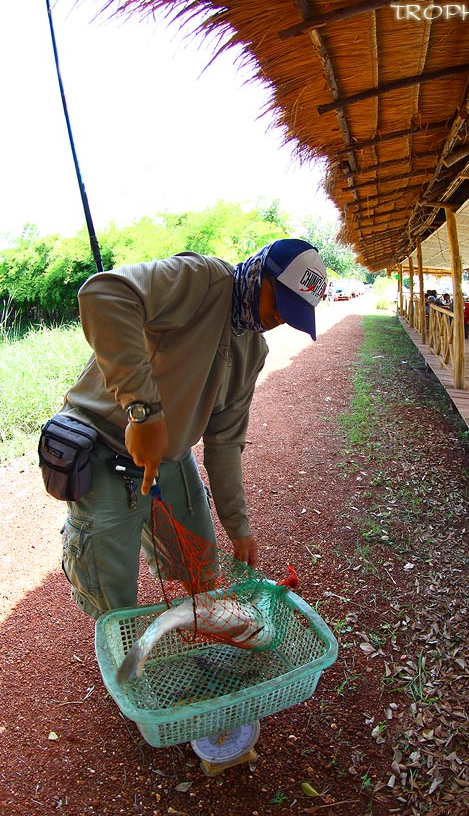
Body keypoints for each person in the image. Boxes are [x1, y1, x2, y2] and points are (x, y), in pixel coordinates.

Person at [58, 240, 327, 619]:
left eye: (293, 315)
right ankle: (129, 667)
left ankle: (206, 638)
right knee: (113, 601)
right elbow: (103, 293)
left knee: (202, 566)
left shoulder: (253, 350)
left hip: (170, 456)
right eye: (280, 303)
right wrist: (143, 412)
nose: (279, 318)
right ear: (259, 271)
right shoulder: (203, 279)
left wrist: (238, 525)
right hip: (103, 450)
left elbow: (225, 443)